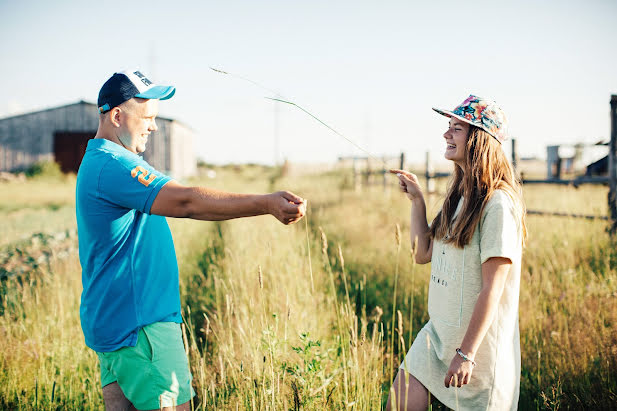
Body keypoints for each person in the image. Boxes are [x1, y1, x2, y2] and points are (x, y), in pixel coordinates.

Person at [76, 69, 306, 411]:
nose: (153, 126)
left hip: (116, 326)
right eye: (148, 117)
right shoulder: (114, 164)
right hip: (141, 328)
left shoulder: (99, 161)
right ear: (117, 116)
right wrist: (265, 203)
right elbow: (187, 201)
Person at [387, 95, 527, 410]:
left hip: (476, 353)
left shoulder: (498, 204)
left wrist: (466, 354)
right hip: (436, 339)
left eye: (456, 128)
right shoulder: (457, 198)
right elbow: (422, 253)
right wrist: (418, 202)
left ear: (480, 139)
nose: (446, 135)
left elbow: (493, 288)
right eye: (448, 127)